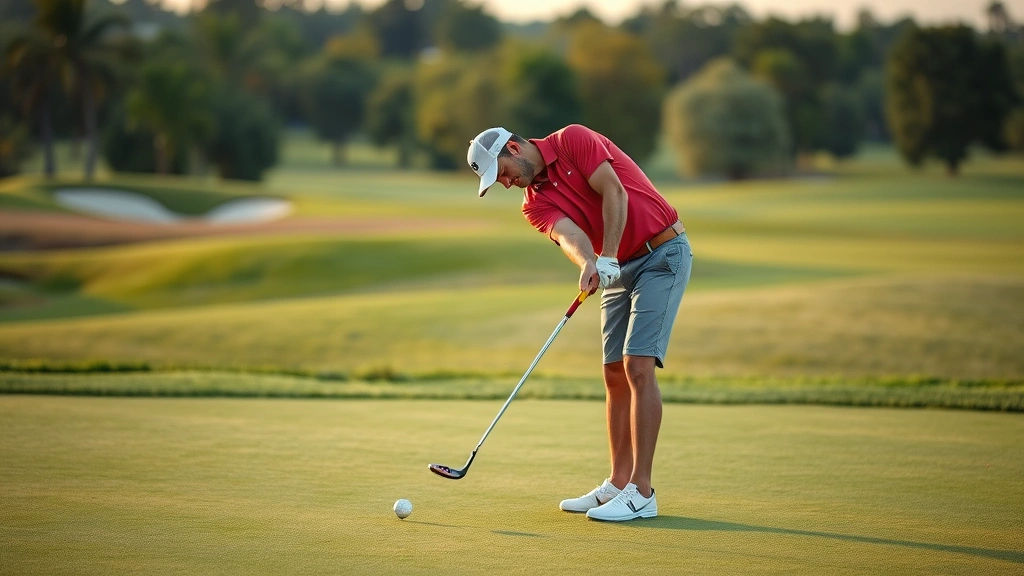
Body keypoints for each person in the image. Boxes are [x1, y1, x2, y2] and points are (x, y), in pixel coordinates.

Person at [466, 124, 692, 522]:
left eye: (502, 172)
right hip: (617, 268)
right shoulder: (532, 203)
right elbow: (568, 234)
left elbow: (614, 191)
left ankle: (642, 491)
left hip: (662, 253)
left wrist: (606, 256)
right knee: (612, 373)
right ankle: (618, 483)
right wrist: (590, 262)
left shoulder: (572, 140)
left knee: (637, 366)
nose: (505, 184)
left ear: (514, 148)